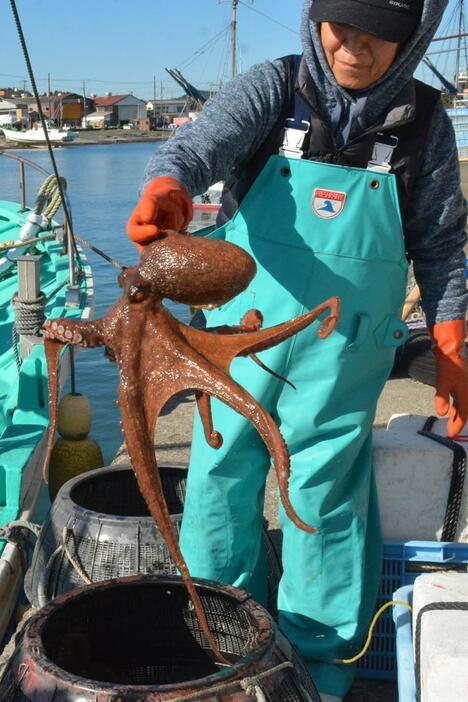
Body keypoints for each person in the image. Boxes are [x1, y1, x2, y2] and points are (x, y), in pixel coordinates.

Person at [127, 1, 467, 699]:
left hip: (343, 358)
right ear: (316, 17)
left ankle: (319, 669)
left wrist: (451, 338)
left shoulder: (424, 123)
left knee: (324, 495)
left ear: (413, 38)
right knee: (222, 479)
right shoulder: (273, 88)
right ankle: (220, 641)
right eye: (342, 22)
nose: (355, 45)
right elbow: (196, 149)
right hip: (237, 348)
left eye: (382, 33)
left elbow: (439, 244)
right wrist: (168, 191)